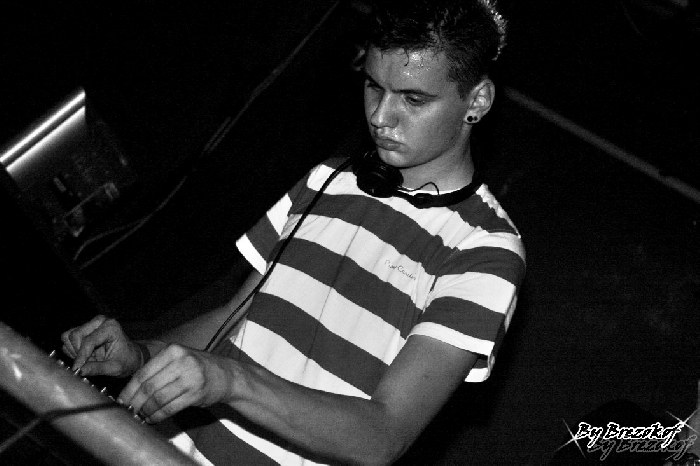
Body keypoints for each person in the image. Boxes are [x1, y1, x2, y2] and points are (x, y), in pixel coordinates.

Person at [61, 0, 525, 464]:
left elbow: (383, 436)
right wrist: (139, 356)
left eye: (413, 99)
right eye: (373, 86)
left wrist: (231, 381)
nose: (381, 116)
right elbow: (234, 320)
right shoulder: (328, 179)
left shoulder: (485, 250)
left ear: (477, 101)